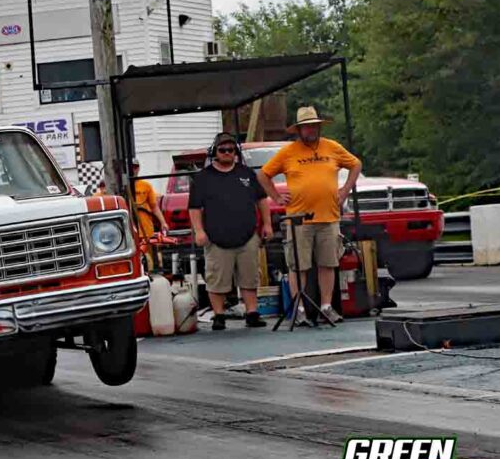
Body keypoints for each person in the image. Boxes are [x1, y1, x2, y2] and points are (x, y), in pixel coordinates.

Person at [257, 106, 362, 326]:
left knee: (328, 263)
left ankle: (326, 306)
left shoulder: (332, 147)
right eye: (306, 127)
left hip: (329, 216)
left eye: (314, 126)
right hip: (299, 218)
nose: (311, 130)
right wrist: (276, 197)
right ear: (299, 130)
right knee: (298, 265)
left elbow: (355, 164)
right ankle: (300, 309)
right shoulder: (288, 152)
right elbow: (263, 175)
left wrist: (344, 190)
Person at [188, 133, 273, 331]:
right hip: (216, 238)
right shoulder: (203, 178)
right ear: (215, 152)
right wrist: (199, 231)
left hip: (248, 235)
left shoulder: (247, 173)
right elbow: (194, 208)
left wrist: (267, 225)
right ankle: (219, 316)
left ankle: (252, 313)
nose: (227, 153)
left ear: (236, 152)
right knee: (216, 279)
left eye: (231, 150)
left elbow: (262, 200)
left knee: (250, 277)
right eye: (223, 150)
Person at [132, 159, 168, 271]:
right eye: (131, 167)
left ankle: (152, 272)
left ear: (138, 168)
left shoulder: (145, 186)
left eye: (135, 167)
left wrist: (163, 222)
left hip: (145, 229)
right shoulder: (122, 186)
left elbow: (154, 206)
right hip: (130, 229)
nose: (133, 169)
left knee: (149, 257)